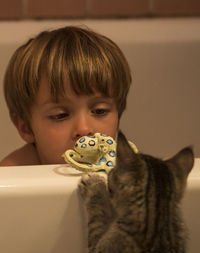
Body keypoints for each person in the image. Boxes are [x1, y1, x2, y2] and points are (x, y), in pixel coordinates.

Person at [0, 26, 131, 166]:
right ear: (25, 127)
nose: (84, 129)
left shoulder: (127, 167)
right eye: (60, 115)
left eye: (100, 111)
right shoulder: (13, 176)